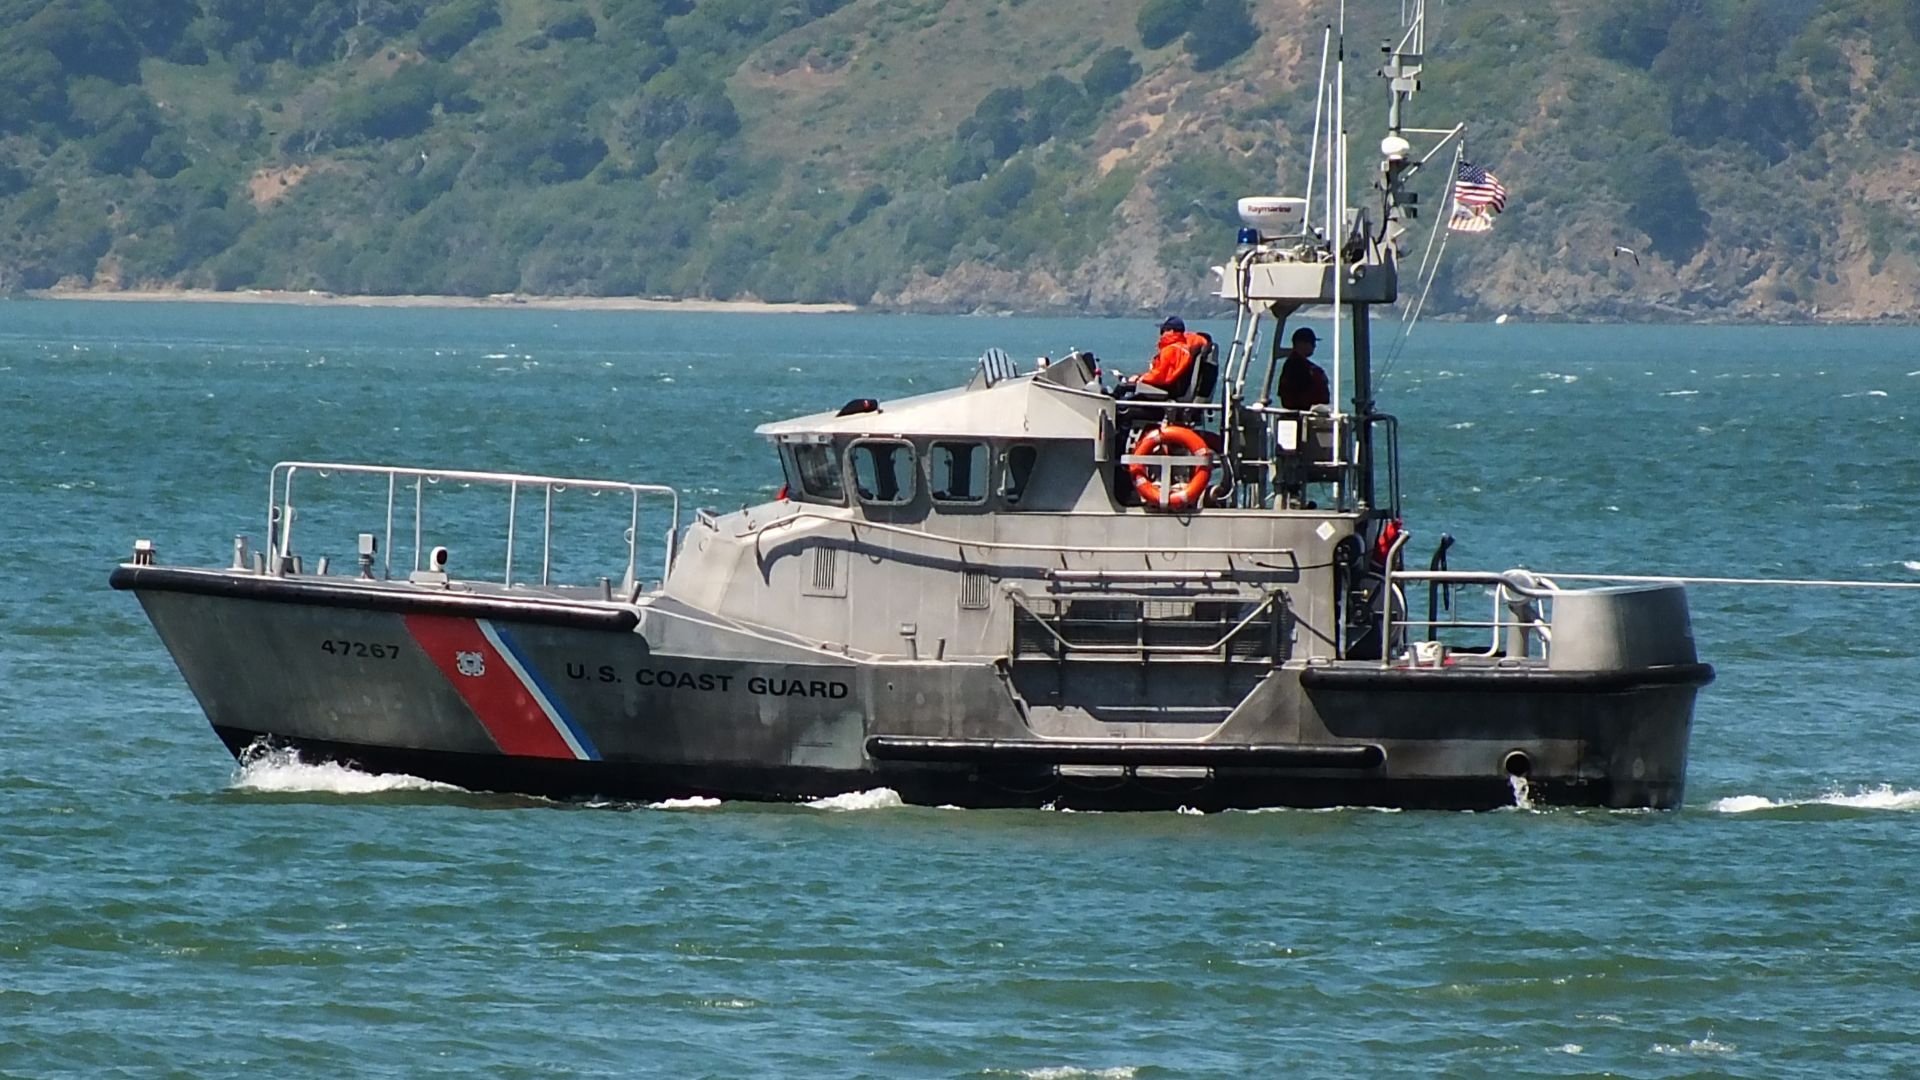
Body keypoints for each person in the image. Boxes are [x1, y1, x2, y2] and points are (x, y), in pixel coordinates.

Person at [1117, 316, 1203, 399]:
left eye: (1163, 331)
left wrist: (1140, 379)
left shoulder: (1171, 350)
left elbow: (1160, 375)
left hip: (1165, 390)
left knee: (1122, 388)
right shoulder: (1182, 348)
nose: (1161, 334)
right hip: (1170, 388)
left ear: (1171, 331)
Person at [1277, 327, 1331, 410]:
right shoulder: (1298, 367)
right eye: (1312, 343)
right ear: (1300, 343)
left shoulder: (1290, 364)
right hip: (1302, 413)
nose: (1314, 346)